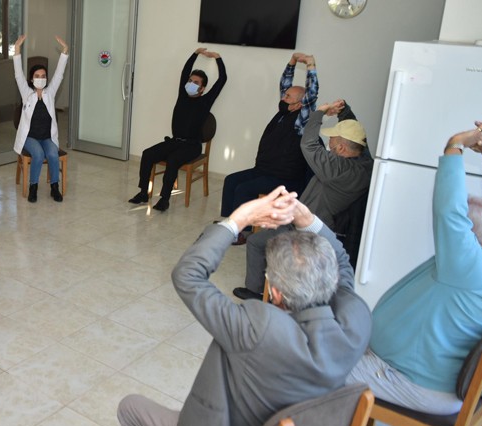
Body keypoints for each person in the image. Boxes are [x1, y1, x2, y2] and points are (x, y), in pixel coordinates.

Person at [117, 187, 371, 426]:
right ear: (331, 278)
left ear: (276, 292)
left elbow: (187, 276)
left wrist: (239, 219)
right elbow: (342, 262)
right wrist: (307, 220)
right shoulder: (356, 320)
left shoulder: (258, 328)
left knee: (130, 408)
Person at [346, 121, 482, 415]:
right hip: (421, 373)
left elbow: (450, 212)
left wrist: (455, 146)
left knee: (313, 369)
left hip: (409, 380)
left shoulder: (470, 270)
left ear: (469, 237)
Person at [234, 98, 374, 301]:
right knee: (261, 236)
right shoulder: (366, 164)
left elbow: (308, 144)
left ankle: (257, 292)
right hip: (318, 225)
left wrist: (319, 113)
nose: (329, 143)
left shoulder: (336, 168)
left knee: (257, 242)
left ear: (342, 149)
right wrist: (344, 111)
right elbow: (358, 137)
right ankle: (265, 286)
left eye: (332, 140)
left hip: (306, 231)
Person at [219, 53, 319, 242]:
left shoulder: (301, 122)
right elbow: (284, 83)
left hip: (283, 177)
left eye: (288, 96)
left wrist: (311, 65)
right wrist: (292, 62)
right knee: (231, 180)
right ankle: (230, 224)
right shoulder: (283, 112)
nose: (283, 97)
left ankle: (243, 232)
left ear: (299, 104)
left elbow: (311, 95)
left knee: (244, 189)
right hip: (264, 169)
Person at [129, 47, 227, 212]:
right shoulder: (182, 95)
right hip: (175, 142)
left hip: (192, 146)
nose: (191, 84)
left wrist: (217, 57)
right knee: (147, 154)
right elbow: (185, 71)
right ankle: (143, 193)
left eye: (196, 83)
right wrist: (195, 54)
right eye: (190, 81)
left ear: (202, 88)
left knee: (173, 160)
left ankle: (164, 199)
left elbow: (223, 79)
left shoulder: (206, 101)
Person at [12, 35, 69, 203]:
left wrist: (65, 51)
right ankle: (33, 187)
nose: (41, 78)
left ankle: (54, 187)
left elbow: (59, 75)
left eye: (43, 76)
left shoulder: (50, 93)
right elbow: (18, 75)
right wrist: (17, 50)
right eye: (37, 76)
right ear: (32, 79)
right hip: (30, 137)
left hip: (46, 137)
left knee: (52, 154)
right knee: (38, 154)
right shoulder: (26, 93)